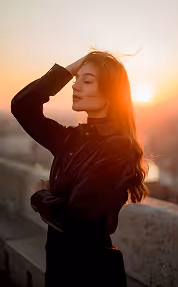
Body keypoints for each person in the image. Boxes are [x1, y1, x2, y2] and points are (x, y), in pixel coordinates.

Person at [11, 48, 149, 287]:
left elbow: (77, 219)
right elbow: (23, 106)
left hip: (92, 273)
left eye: (87, 81)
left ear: (110, 94)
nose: (75, 87)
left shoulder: (118, 149)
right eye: (76, 81)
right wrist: (69, 70)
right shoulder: (71, 139)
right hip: (60, 267)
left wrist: (39, 195)